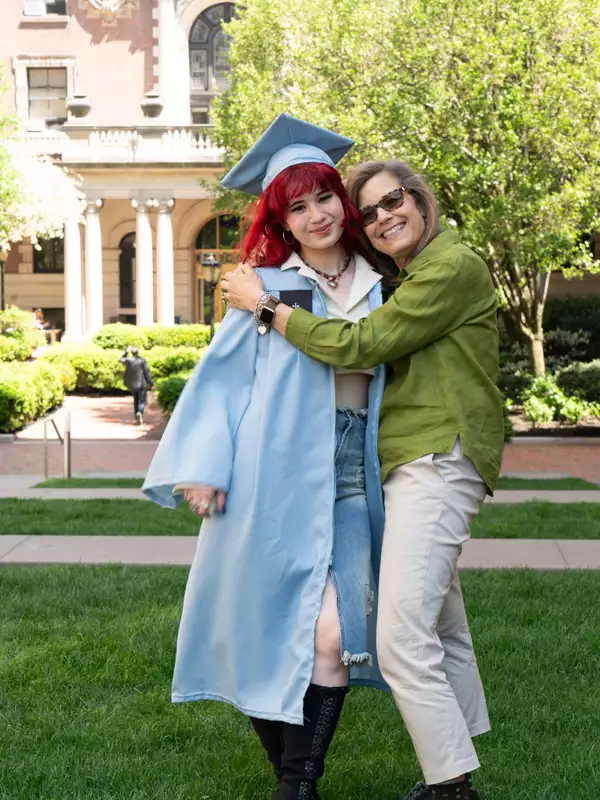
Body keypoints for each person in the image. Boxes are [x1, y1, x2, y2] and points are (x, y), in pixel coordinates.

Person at [222, 158, 505, 800]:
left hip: (435, 457)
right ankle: (456, 759)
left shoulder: (448, 267)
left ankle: (451, 786)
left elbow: (360, 345)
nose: (384, 217)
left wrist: (266, 306)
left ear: (422, 197)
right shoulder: (406, 274)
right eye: (371, 210)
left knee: (399, 635)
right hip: (402, 462)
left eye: (395, 200)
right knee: (440, 625)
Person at [142, 114, 392, 800]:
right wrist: (202, 467)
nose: (316, 216)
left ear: (344, 199)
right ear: (282, 220)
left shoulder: (386, 281)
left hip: (350, 471)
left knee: (335, 634)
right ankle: (298, 785)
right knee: (259, 627)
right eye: (297, 206)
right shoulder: (265, 287)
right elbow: (222, 384)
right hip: (268, 470)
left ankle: (296, 782)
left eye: (323, 198)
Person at [120, 346, 155, 424]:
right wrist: (152, 383)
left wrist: (126, 352)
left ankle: (136, 417)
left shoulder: (128, 360)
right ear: (137, 352)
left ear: (132, 353)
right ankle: (140, 412)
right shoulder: (142, 361)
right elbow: (147, 373)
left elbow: (121, 359)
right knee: (142, 401)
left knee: (135, 401)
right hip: (142, 384)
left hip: (133, 385)